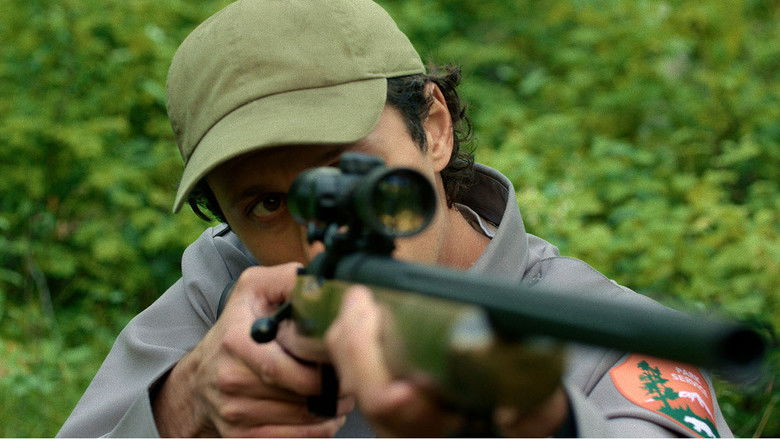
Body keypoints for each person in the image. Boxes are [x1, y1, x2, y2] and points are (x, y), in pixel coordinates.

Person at [58, 0, 734, 437]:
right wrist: (183, 406)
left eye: (353, 173)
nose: (318, 231)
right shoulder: (222, 297)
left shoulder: (595, 326)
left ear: (433, 128)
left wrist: (539, 421)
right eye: (267, 205)